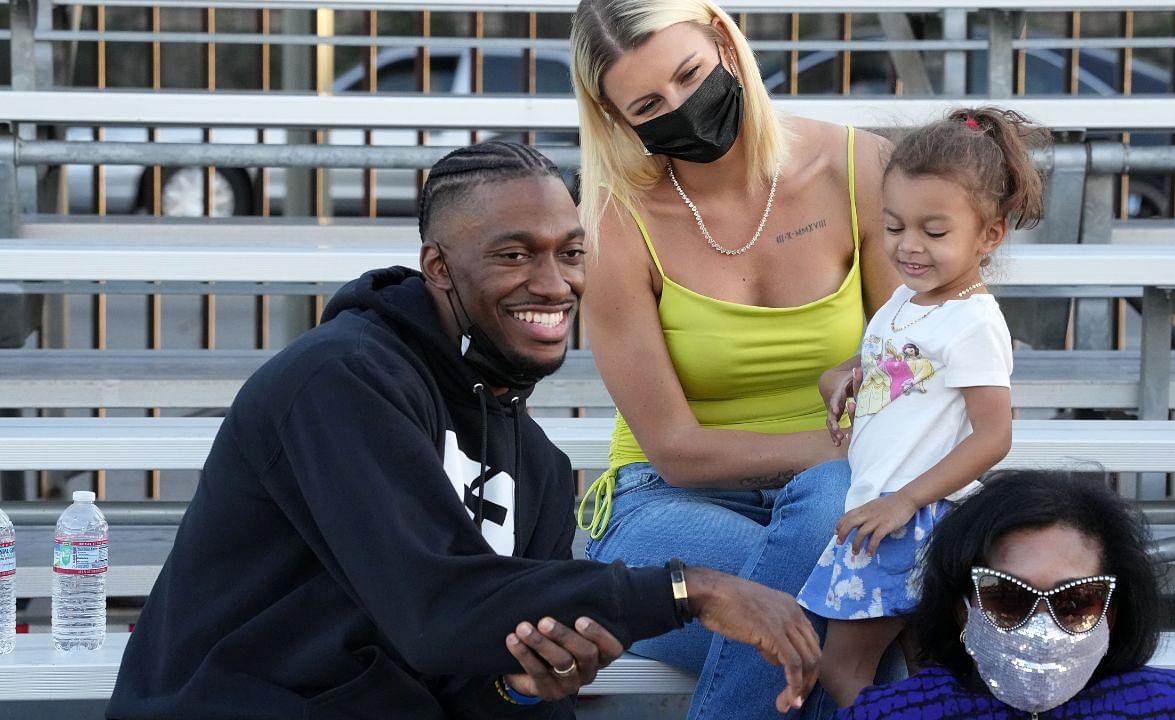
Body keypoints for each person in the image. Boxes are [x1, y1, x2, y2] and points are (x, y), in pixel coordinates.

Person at [106, 142, 822, 720]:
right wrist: (687, 591)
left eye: (569, 253)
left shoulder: (534, 464)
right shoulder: (342, 382)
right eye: (514, 255)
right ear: (438, 268)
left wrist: (522, 684)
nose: (553, 283)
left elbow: (476, 678)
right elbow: (434, 605)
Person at [568, 1, 896, 716]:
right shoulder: (614, 220)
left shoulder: (860, 166)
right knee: (872, 651)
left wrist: (855, 454)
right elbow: (678, 451)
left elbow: (914, 361)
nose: (683, 109)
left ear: (722, 39)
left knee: (828, 511)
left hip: (840, 497)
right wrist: (846, 444)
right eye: (649, 104)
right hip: (662, 502)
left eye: (690, 75)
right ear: (616, 118)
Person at [796, 107, 1042, 705]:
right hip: (892, 510)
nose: (909, 246)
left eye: (934, 232)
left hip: (909, 518)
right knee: (928, 671)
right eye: (893, 226)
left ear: (989, 236)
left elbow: (994, 436)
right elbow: (896, 367)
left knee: (843, 669)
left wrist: (905, 500)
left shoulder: (974, 321)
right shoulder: (909, 300)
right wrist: (841, 377)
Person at [839, 470, 1175, 719]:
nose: (1041, 626)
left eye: (1076, 601)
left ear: (1110, 615)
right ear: (963, 610)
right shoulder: (892, 714)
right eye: (1007, 596)